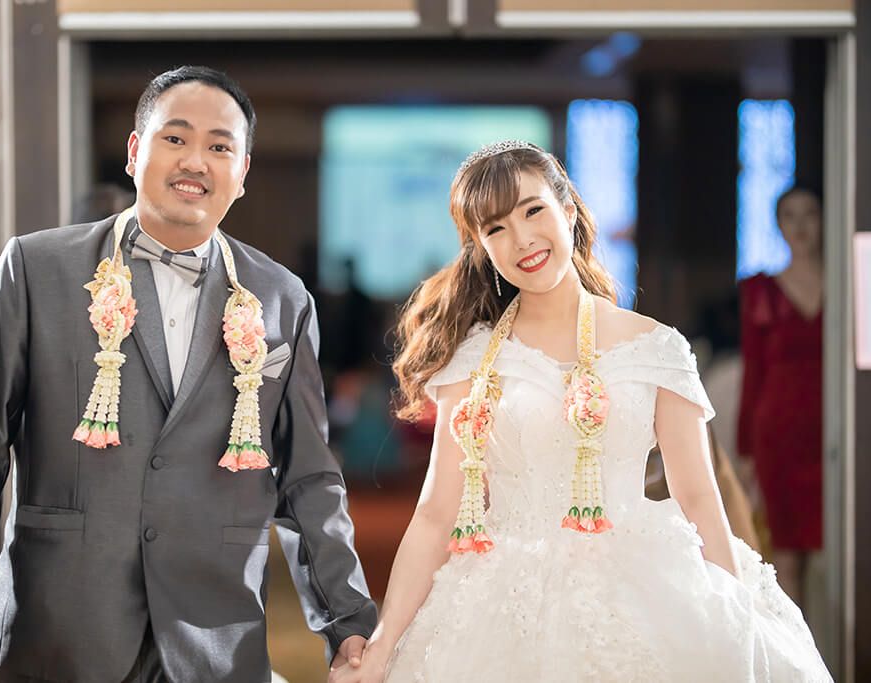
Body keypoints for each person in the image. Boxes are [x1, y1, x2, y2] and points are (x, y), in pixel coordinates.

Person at [0, 66, 376, 683]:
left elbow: (309, 478)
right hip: (57, 631)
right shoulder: (36, 269)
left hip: (216, 638)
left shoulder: (282, 298)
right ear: (136, 151)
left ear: (242, 173)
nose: (196, 161)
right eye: (175, 138)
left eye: (220, 147)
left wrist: (347, 622)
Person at [331, 142, 831, 682]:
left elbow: (698, 497)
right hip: (500, 604)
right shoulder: (473, 361)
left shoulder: (656, 347)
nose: (522, 239)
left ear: (568, 210)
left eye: (533, 210)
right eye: (496, 229)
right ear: (481, 247)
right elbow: (435, 515)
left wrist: (735, 622)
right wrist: (383, 644)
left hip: (642, 588)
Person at [737, 185, 824, 610]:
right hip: (780, 435)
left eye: (810, 214)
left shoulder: (847, 284)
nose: (801, 226)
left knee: (840, 545)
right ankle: (800, 649)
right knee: (786, 556)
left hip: (835, 432)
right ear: (778, 225)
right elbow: (753, 372)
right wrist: (745, 451)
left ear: (824, 220)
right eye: (790, 216)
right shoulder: (761, 290)